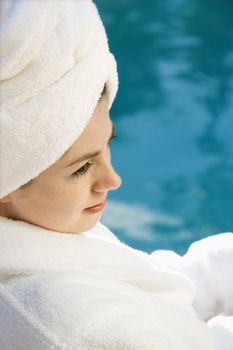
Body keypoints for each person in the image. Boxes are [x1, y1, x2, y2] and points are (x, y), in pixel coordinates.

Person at [0, 1, 232, 349]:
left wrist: (218, 264)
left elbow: (141, 291)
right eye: (81, 168)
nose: (112, 179)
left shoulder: (41, 223)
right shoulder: (68, 328)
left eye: (108, 142)